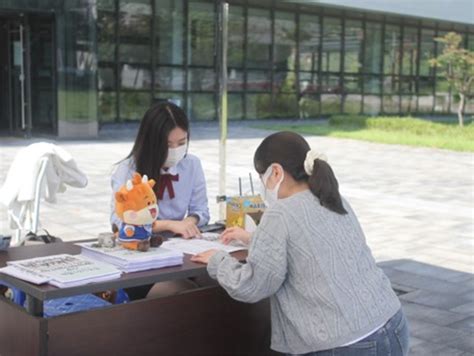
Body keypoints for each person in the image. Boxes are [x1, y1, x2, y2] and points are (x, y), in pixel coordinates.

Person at [191, 131, 409, 356]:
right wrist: (252, 238)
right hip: (392, 325)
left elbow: (254, 285)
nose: (262, 186)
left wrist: (217, 261)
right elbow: (310, 245)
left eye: (261, 177)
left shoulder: (279, 213)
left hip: (343, 344)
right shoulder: (333, 198)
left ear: (275, 172)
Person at [111, 102, 210, 299]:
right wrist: (169, 224)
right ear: (151, 142)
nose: (175, 150)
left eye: (181, 143)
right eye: (168, 144)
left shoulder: (192, 164)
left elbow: (202, 210)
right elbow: (118, 221)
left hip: (181, 252)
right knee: (182, 291)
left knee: (213, 282)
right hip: (141, 256)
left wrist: (189, 223)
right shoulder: (128, 170)